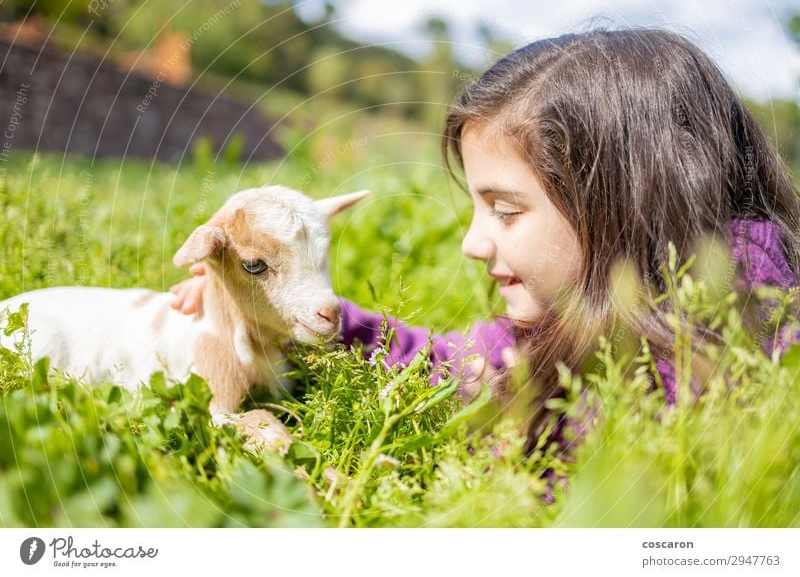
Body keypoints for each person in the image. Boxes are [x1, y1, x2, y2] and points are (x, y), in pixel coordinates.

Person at [170, 28, 800, 454]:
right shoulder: (556, 323)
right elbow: (446, 362)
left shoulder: (752, 326)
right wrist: (286, 310)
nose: (473, 242)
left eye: (504, 209)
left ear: (622, 200)